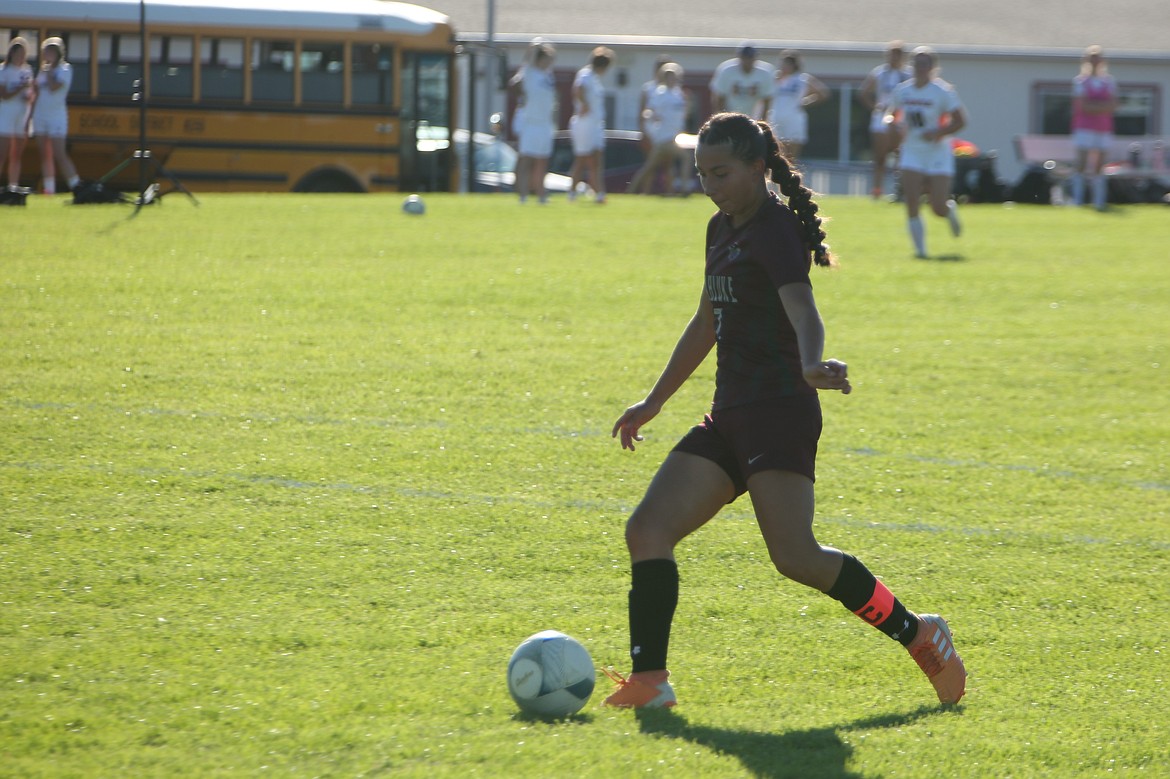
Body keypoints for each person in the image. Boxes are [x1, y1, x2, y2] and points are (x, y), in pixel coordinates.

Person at [601, 111, 967, 710]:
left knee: (796, 556)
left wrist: (810, 364)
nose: (709, 185)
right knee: (647, 530)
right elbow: (706, 321)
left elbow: (804, 311)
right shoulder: (720, 227)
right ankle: (651, 682)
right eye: (701, 173)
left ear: (756, 167)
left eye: (720, 173)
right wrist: (655, 400)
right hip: (729, 416)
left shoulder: (773, 231)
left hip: (778, 414)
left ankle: (919, 633)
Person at [886, 47, 966, 259]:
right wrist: (894, 125)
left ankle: (949, 211)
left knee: (937, 206)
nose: (920, 69)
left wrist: (938, 132)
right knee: (912, 201)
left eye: (925, 64)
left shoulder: (943, 91)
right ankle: (920, 251)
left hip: (937, 152)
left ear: (932, 67)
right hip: (912, 151)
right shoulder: (903, 91)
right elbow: (892, 115)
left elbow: (960, 121)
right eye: (917, 64)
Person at [858, 42, 912, 198]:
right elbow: (864, 93)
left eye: (897, 55)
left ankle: (900, 190)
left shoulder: (908, 74)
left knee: (900, 155)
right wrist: (875, 106)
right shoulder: (880, 73)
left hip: (901, 118)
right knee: (880, 157)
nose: (893, 58)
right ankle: (876, 190)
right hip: (881, 117)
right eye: (890, 55)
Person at [508, 42, 557, 204]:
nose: (549, 62)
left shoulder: (548, 75)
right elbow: (528, 57)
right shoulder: (529, 72)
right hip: (531, 123)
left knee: (542, 161)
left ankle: (541, 194)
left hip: (545, 124)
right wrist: (536, 44)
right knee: (526, 160)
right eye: (547, 59)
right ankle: (523, 195)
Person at [629, 63, 690, 195]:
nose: (673, 80)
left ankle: (631, 190)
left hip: (673, 136)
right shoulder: (660, 93)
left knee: (651, 168)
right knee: (686, 158)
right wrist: (652, 118)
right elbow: (649, 110)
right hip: (664, 137)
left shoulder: (678, 94)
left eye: (674, 77)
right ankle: (685, 189)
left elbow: (683, 112)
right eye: (670, 77)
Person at [1069, 45, 1118, 211]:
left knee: (1100, 166)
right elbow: (1083, 106)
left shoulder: (1108, 82)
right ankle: (1077, 200)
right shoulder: (1080, 81)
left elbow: (1113, 104)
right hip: (1084, 127)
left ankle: (1099, 201)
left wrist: (1095, 106)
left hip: (1103, 128)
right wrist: (1102, 106)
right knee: (1082, 163)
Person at [33, 37, 82, 196]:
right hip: (40, 114)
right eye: (47, 51)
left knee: (59, 153)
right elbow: (37, 90)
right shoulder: (43, 70)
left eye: (52, 51)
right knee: (44, 154)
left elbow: (54, 87)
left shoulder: (65, 69)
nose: (49, 54)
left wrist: (47, 73)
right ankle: (49, 190)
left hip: (57, 117)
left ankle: (76, 186)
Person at [568, 47, 614, 204]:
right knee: (582, 159)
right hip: (584, 123)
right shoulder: (585, 74)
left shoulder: (595, 78)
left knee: (597, 159)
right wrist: (584, 104)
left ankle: (599, 193)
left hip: (595, 124)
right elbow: (578, 89)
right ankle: (572, 193)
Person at [766, 50, 829, 161]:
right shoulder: (774, 78)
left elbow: (823, 93)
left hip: (794, 119)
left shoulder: (802, 79)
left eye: (786, 63)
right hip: (775, 118)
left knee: (792, 156)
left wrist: (805, 102)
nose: (783, 66)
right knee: (775, 153)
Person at [0, 37, 36, 196]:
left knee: (17, 154)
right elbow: (4, 95)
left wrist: (28, 96)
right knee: (2, 153)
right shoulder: (4, 70)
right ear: (12, 54)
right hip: (6, 114)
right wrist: (20, 88)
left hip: (22, 115)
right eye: (18, 53)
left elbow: (31, 94)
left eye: (23, 54)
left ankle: (13, 187)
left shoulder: (27, 71)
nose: (21, 57)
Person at [709, 43, 774, 120]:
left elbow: (767, 99)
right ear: (739, 57)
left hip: (753, 116)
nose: (747, 61)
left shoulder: (765, 73)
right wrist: (721, 118)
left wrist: (762, 121)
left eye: (750, 57)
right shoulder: (727, 70)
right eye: (745, 57)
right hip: (730, 115)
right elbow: (719, 96)